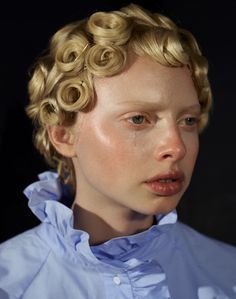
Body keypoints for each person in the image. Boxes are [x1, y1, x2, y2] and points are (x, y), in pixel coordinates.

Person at [0, 3, 235, 298]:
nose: (175, 147)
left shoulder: (228, 276)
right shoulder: (9, 285)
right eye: (138, 119)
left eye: (187, 120)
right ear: (63, 135)